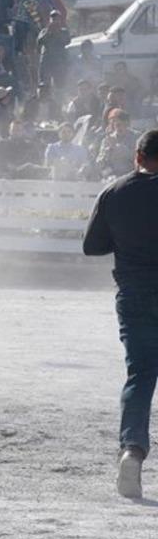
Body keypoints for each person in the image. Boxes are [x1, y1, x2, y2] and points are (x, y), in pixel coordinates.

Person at [82, 129, 158, 498]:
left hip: (136, 293)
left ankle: (132, 450)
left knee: (140, 375)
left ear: (138, 157)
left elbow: (92, 246)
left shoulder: (115, 192)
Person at [37, 10, 71, 90]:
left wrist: (57, 32)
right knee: (44, 84)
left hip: (59, 61)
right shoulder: (44, 31)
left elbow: (67, 41)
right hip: (47, 61)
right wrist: (49, 32)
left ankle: (60, 100)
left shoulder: (64, 31)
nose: (55, 21)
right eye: (53, 18)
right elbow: (40, 41)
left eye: (57, 18)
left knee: (60, 84)